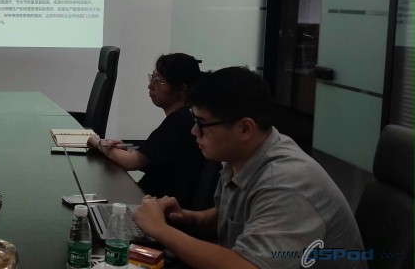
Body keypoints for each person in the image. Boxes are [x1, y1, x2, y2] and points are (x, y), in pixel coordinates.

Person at [133, 67, 365, 269]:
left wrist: (161, 230)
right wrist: (186, 218)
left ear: (244, 129)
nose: (194, 132)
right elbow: (229, 217)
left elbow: (248, 265)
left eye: (202, 124)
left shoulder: (285, 182)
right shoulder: (243, 156)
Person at [87, 53, 213, 208]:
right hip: (151, 201)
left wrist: (99, 143)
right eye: (152, 77)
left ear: (182, 89)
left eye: (159, 81)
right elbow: (155, 159)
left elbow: (131, 162)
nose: (150, 85)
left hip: (159, 208)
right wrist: (123, 151)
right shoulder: (183, 118)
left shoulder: (179, 122)